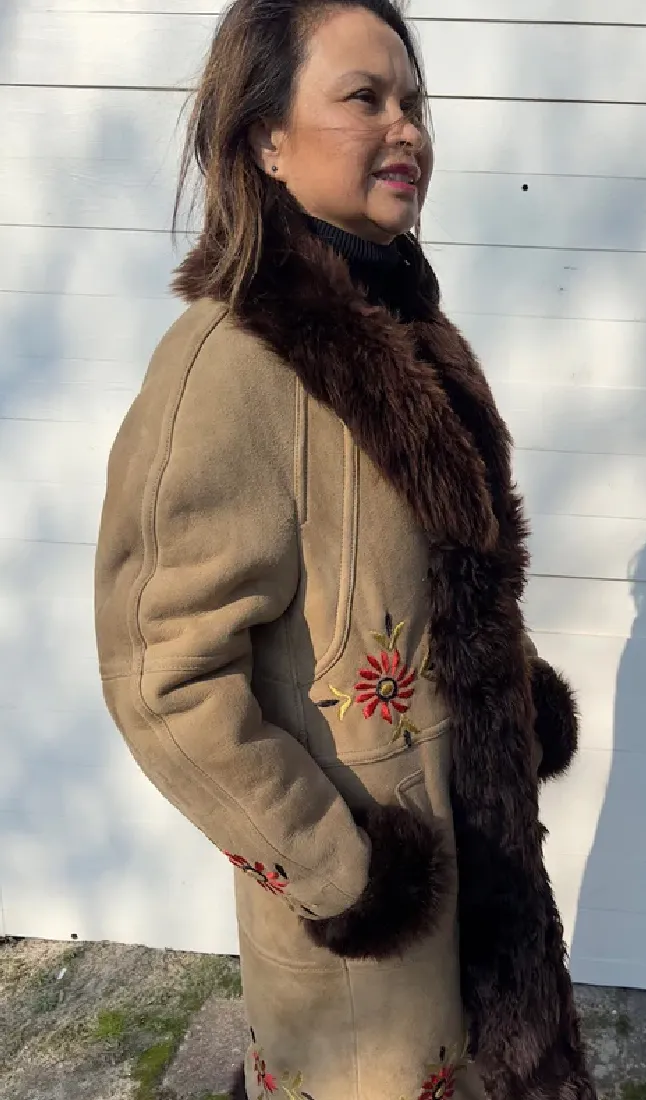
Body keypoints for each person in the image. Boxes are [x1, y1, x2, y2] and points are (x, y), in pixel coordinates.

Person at [93, 2, 594, 1098]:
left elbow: (440, 586)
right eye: (365, 98)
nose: (406, 127)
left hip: (480, 875)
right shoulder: (229, 369)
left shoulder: (409, 328)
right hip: (372, 938)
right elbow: (162, 679)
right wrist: (345, 872)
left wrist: (510, 698)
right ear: (266, 139)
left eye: (412, 100)